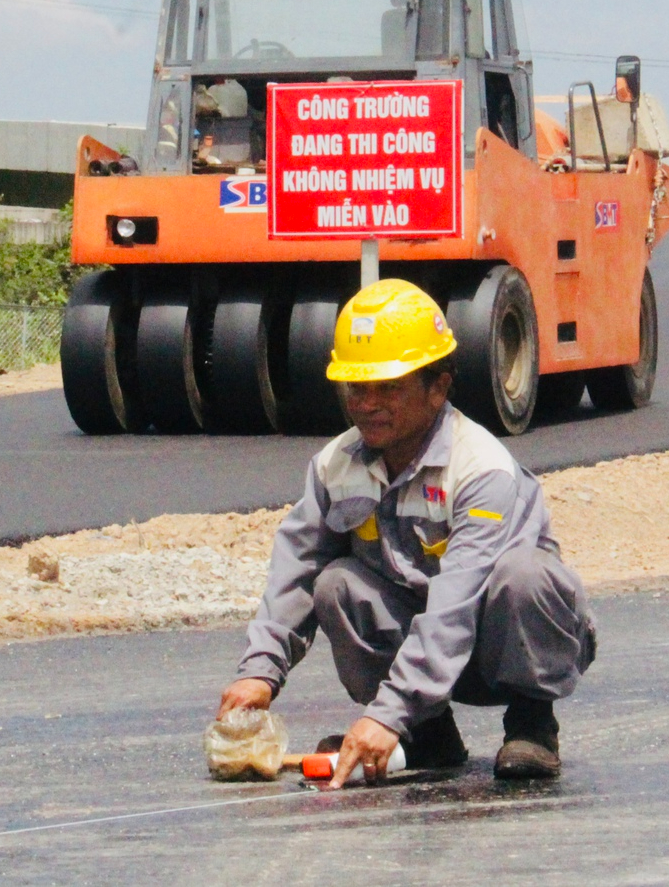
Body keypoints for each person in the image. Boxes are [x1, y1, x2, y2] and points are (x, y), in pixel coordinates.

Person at [215, 278, 596, 787]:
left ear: (438, 387)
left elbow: (457, 603)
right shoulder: (335, 466)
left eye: (388, 387)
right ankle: (430, 736)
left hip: (501, 646)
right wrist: (260, 670)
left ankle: (532, 722)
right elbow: (298, 570)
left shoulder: (481, 470)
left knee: (523, 574)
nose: (368, 404)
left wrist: (386, 712)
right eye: (357, 388)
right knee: (336, 583)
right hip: (423, 655)